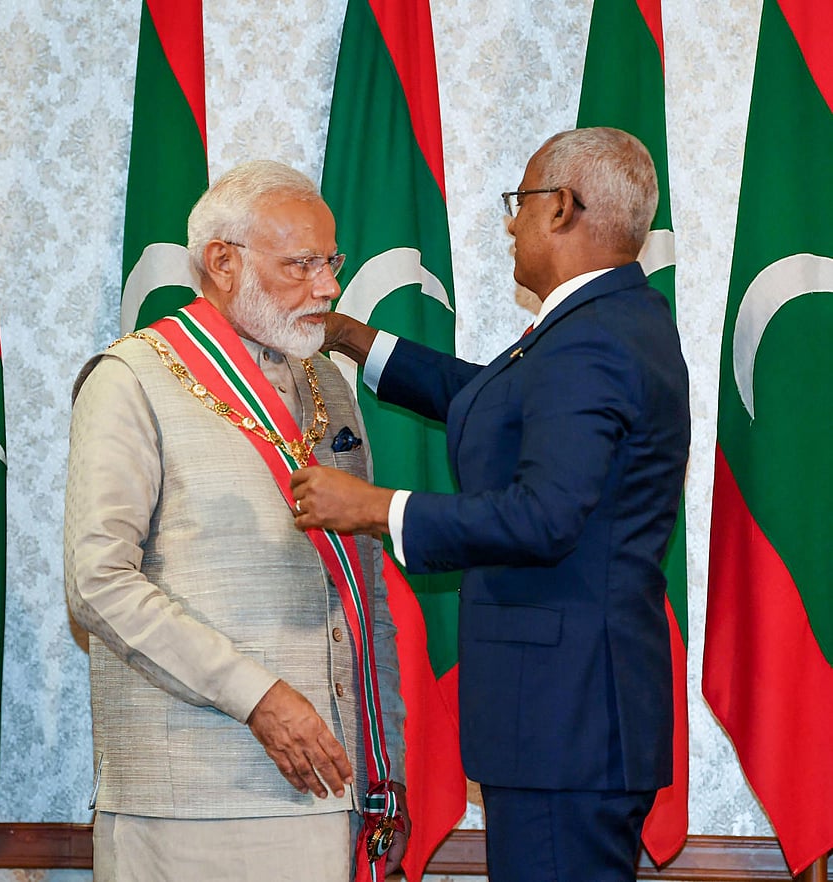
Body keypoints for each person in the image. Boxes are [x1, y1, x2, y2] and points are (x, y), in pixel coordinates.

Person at [290, 127, 690, 882]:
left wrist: (375, 507)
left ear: (563, 208)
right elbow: (493, 397)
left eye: (522, 201)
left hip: (563, 724)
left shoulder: (591, 339)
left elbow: (544, 517)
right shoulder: (613, 322)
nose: (510, 223)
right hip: (576, 723)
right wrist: (352, 338)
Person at [64, 160, 408, 882]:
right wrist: (259, 697)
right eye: (303, 264)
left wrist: (387, 767)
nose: (330, 287)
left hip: (334, 793)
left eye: (331, 261)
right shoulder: (131, 377)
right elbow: (97, 583)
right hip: (192, 799)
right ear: (223, 261)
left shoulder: (329, 384)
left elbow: (363, 592)